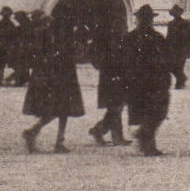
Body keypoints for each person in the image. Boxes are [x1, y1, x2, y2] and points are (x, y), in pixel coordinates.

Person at [21, 14, 85, 153]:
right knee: (61, 109)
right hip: (61, 77)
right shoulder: (56, 37)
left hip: (55, 76)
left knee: (59, 109)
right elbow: (69, 55)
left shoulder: (51, 35)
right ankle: (51, 138)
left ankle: (47, 136)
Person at [119, 4, 174, 156]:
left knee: (152, 113)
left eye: (147, 18)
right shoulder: (153, 38)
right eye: (145, 18)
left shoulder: (134, 38)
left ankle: (146, 140)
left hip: (144, 81)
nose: (146, 21)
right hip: (148, 81)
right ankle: (148, 143)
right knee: (153, 112)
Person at [88, 15, 131, 146]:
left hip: (120, 77)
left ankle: (98, 130)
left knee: (116, 107)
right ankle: (117, 137)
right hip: (111, 77)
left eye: (125, 26)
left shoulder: (123, 41)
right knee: (116, 107)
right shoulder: (110, 41)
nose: (125, 29)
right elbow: (100, 58)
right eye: (122, 26)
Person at [166, 5, 190, 90]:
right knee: (172, 65)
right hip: (172, 48)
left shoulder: (185, 23)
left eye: (177, 12)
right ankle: (182, 78)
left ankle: (179, 83)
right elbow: (168, 36)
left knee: (179, 65)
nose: (176, 14)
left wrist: (187, 46)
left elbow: (189, 35)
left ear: (180, 13)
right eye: (174, 13)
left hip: (182, 48)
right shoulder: (170, 24)